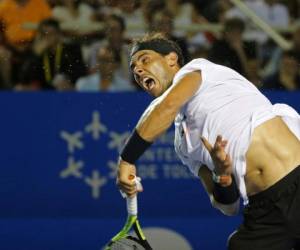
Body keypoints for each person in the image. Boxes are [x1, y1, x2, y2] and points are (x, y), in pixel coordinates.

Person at [116, 33, 300, 250]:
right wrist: (222, 174)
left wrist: (126, 159)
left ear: (171, 59)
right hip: (265, 214)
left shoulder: (200, 71)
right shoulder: (183, 143)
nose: (137, 70)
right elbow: (227, 205)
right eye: (134, 69)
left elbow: (165, 107)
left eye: (145, 59)